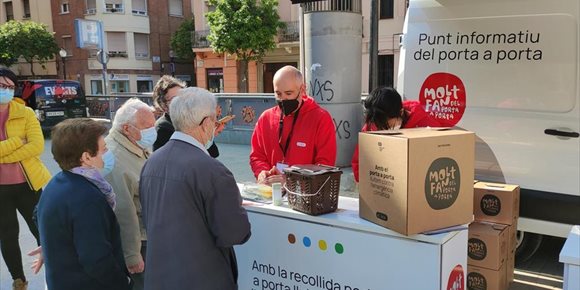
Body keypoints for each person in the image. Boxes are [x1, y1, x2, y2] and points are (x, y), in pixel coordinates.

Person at [140, 87, 251, 290]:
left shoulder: (151, 161)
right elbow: (235, 233)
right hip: (204, 278)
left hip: (160, 277)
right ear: (207, 122)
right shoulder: (213, 171)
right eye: (215, 119)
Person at [36, 118, 132, 290]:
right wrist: (123, 283)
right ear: (87, 157)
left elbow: (38, 215)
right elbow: (96, 259)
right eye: (104, 149)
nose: (108, 153)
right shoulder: (88, 198)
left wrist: (52, 243)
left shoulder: (56, 183)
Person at [0, 67, 51, 290]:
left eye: (10, 87)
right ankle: (18, 280)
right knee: (7, 235)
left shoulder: (26, 113)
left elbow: (37, 146)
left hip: (28, 184)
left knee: (43, 229)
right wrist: (14, 144)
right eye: (2, 86)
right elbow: (24, 144)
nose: (6, 91)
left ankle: (54, 269)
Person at [250, 65, 336, 184]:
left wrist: (292, 180)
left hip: (305, 195)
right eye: (278, 94)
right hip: (272, 191)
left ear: (302, 90)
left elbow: (324, 165)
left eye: (288, 93)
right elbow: (257, 156)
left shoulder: (321, 118)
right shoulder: (266, 118)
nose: (283, 99)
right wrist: (262, 173)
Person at [105, 98, 156, 290]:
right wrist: (132, 255)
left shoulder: (135, 145)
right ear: (127, 128)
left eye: (153, 124)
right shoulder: (116, 158)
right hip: (138, 242)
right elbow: (124, 212)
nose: (152, 130)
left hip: (148, 234)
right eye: (147, 126)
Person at [351, 86, 443, 182]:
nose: (382, 130)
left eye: (386, 126)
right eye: (378, 127)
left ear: (401, 112)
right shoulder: (371, 126)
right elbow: (359, 162)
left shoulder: (426, 125)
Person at [151, 75, 222, 156]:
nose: (181, 102)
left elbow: (214, 153)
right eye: (175, 99)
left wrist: (208, 132)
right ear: (163, 105)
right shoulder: (163, 128)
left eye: (183, 97)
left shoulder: (192, 120)